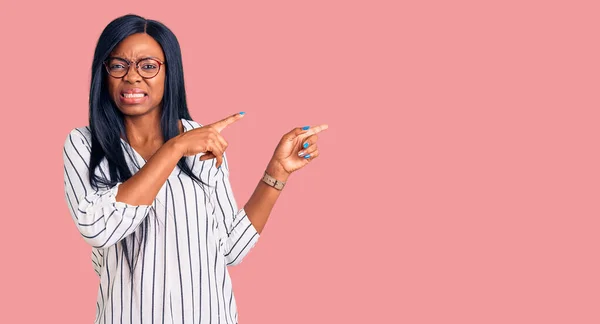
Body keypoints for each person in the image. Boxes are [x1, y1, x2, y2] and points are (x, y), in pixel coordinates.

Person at [62, 14, 327, 323]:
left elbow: (229, 248)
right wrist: (174, 149)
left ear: (169, 73)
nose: (132, 77)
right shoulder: (84, 144)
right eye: (118, 65)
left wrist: (277, 172)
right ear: (104, 73)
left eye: (148, 66)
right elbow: (99, 228)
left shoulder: (201, 139)